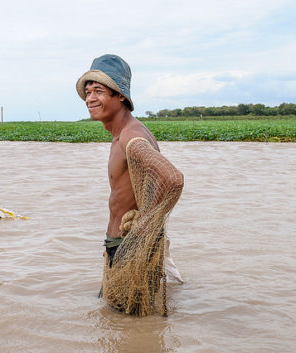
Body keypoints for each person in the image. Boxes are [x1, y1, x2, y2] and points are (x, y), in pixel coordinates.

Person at [76, 54, 184, 315]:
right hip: (121, 246)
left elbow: (172, 178)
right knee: (127, 326)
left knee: (123, 322)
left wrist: (141, 230)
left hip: (128, 249)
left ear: (120, 95)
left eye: (99, 91)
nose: (90, 98)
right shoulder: (124, 134)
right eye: (88, 91)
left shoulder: (131, 138)